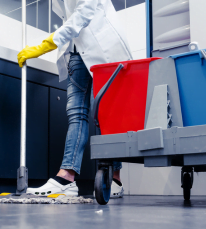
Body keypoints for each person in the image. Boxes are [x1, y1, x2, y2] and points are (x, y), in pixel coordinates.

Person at [17, 0, 133, 197]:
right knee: (76, 112)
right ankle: (66, 178)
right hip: (76, 52)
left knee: (108, 115)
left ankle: (115, 179)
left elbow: (83, 12)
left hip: (105, 50)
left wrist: (48, 43)